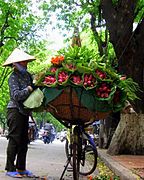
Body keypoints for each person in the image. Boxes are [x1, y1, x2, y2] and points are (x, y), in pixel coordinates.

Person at [3, 48, 36, 178]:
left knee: (24, 141)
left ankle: (21, 168)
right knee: (14, 139)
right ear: (16, 63)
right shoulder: (13, 77)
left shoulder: (27, 75)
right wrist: (28, 89)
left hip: (25, 111)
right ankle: (10, 168)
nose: (26, 63)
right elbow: (16, 95)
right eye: (24, 62)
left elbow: (32, 91)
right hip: (15, 110)